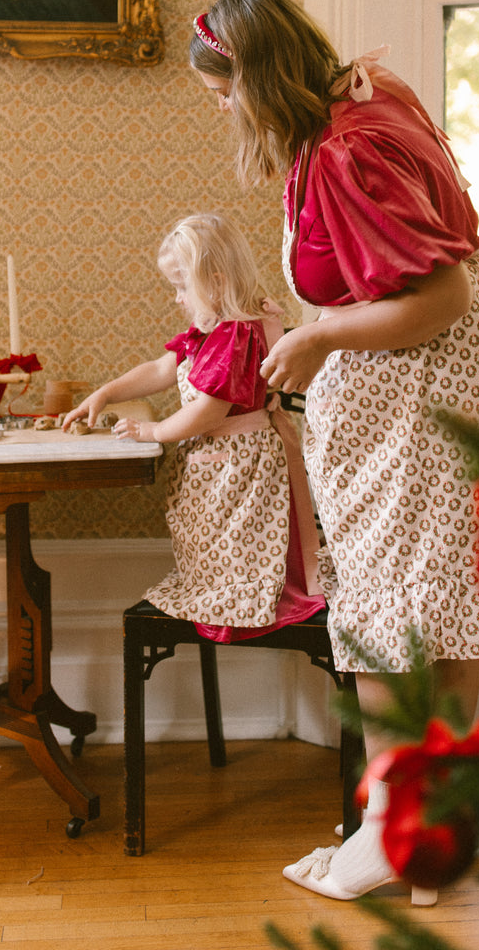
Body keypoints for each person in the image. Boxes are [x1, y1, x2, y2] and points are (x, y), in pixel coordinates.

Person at [188, 0, 479, 904]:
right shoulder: (372, 91)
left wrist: (315, 337)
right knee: (443, 595)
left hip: (430, 377)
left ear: (258, 78)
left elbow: (438, 297)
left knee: (384, 604)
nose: (222, 108)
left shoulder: (344, 151)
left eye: (224, 89)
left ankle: (386, 831)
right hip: (472, 372)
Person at [62, 213, 328, 643]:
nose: (178, 298)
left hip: (239, 469)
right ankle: (214, 583)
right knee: (211, 542)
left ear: (217, 282)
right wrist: (107, 392)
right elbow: (162, 367)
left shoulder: (238, 334)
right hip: (219, 466)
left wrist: (152, 432)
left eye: (182, 286)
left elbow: (209, 411)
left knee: (241, 541)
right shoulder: (212, 330)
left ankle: (238, 596)